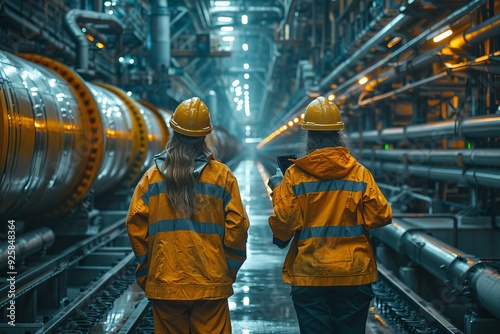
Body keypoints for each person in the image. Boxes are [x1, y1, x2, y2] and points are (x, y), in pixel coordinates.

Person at [267, 96, 392, 334]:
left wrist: (278, 188)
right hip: (353, 273)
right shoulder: (359, 173)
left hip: (310, 274)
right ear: (339, 135)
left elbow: (284, 221)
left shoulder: (294, 175)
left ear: (309, 137)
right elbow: (381, 215)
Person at [126, 97, 249, 334]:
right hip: (210, 282)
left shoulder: (151, 178)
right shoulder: (222, 177)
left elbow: (134, 225)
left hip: (166, 282)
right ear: (205, 137)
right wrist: (227, 271)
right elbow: (238, 228)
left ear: (173, 133)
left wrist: (148, 271)